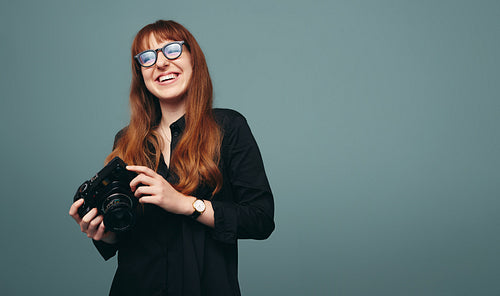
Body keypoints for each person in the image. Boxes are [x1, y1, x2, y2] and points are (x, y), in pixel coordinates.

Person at [69, 20, 275, 296]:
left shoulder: (229, 127)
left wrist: (184, 204)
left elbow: (260, 219)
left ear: (193, 58)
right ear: (140, 73)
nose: (161, 63)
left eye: (172, 50)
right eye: (147, 57)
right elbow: (126, 235)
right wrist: (106, 234)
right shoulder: (126, 140)